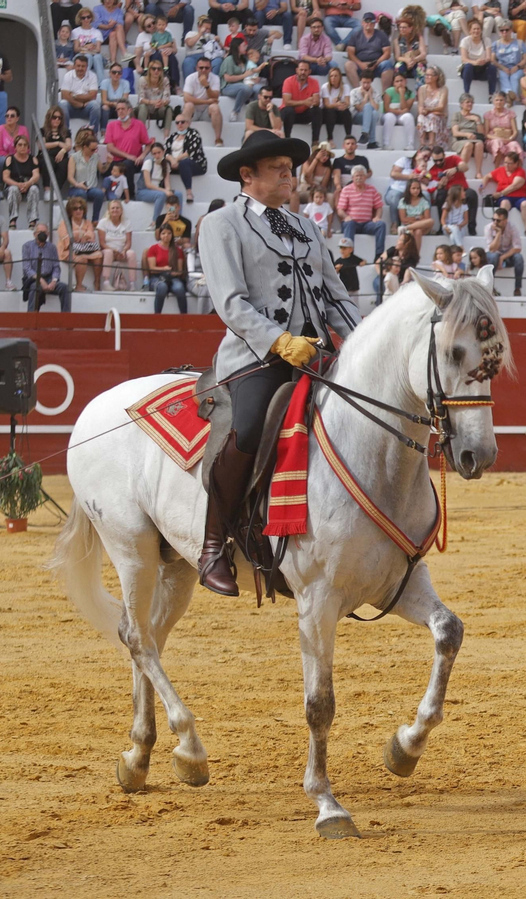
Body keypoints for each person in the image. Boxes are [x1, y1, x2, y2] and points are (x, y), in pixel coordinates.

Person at [196, 129, 359, 595]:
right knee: (248, 429)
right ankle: (214, 546)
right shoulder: (222, 223)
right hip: (256, 358)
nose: (290, 174)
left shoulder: (306, 226)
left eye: (291, 167)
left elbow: (336, 298)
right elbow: (230, 303)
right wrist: (280, 342)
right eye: (278, 168)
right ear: (248, 175)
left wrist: (361, 341)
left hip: (315, 356)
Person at [336, 164, 387, 256]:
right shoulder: (346, 190)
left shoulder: (371, 189)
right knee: (349, 223)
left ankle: (379, 256)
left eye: (361, 175)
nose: (359, 178)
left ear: (365, 177)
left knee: (381, 224)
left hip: (367, 224)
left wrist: (377, 217)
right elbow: (340, 210)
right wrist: (346, 217)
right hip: (352, 223)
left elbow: (379, 206)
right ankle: (348, 256)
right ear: (352, 177)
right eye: (357, 176)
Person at [22, 222, 72, 312]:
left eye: (45, 232)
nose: (42, 234)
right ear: (34, 234)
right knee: (34, 288)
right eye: (40, 232)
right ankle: (30, 318)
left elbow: (56, 267)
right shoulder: (27, 246)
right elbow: (27, 268)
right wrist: (40, 280)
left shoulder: (52, 247)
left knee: (64, 288)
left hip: (49, 279)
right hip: (34, 279)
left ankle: (66, 318)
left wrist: (54, 280)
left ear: (48, 234)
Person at [58, 196, 105, 291]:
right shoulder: (65, 223)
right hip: (69, 250)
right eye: (75, 209)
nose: (78, 211)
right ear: (71, 211)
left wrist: (79, 236)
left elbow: (91, 235)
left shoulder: (88, 222)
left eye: (81, 208)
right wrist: (81, 235)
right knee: (82, 259)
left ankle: (97, 282)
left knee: (99, 255)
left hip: (85, 248)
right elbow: (65, 238)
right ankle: (79, 285)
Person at [145, 224, 190, 312]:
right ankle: (157, 317)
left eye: (169, 233)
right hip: (157, 277)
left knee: (179, 288)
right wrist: (164, 269)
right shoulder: (153, 249)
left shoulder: (178, 250)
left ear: (172, 235)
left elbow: (180, 271)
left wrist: (174, 273)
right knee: (162, 287)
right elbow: (152, 269)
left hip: (173, 277)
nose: (166, 235)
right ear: (160, 235)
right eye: (163, 233)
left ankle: (184, 317)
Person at [163, 114, 208, 204]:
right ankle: (166, 191)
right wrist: (172, 161)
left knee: (184, 163)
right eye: (177, 122)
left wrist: (177, 160)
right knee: (162, 163)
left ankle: (189, 193)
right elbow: (166, 152)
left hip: (194, 163)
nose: (180, 124)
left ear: (187, 123)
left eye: (182, 122)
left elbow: (191, 151)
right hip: (174, 164)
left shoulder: (194, 134)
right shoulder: (173, 136)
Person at [182, 58, 227, 146]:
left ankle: (218, 139)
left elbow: (215, 97)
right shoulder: (190, 78)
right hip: (193, 111)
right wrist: (206, 101)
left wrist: (206, 85)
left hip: (207, 112)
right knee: (188, 106)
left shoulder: (215, 78)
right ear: (196, 68)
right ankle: (184, 137)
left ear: (210, 69)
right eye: (201, 68)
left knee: (215, 107)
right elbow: (186, 98)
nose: (204, 70)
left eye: (206, 68)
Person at [481, 150, 526, 232]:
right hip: (505, 198)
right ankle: (501, 228)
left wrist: (500, 194)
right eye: (505, 162)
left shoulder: (521, 172)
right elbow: (487, 176)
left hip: (519, 197)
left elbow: (514, 186)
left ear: (516, 163)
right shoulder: (500, 170)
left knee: (525, 204)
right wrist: (482, 186)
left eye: (509, 163)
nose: (506, 165)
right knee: (504, 203)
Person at [343, 11, 393, 88]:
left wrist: (376, 63)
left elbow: (387, 52)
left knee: (387, 64)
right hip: (360, 65)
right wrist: (360, 64)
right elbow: (350, 53)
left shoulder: (382, 35)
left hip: (377, 65)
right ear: (362, 22)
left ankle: (385, 95)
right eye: (367, 21)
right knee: (348, 65)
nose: (369, 23)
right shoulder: (355, 35)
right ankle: (358, 91)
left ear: (375, 23)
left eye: (372, 21)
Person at [0, 136, 42, 228]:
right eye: (20, 145)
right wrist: (18, 185)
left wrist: (28, 184)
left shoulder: (33, 159)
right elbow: (5, 177)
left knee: (34, 189)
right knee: (13, 189)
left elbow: (36, 175)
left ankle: (32, 220)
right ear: (15, 147)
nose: (22, 147)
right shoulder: (9, 159)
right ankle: (13, 220)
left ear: (28, 147)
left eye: (25, 145)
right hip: (13, 186)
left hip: (28, 186)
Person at [98, 199, 138, 290]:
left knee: (131, 253)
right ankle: (106, 282)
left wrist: (124, 250)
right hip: (108, 250)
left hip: (122, 251)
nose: (115, 210)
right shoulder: (103, 222)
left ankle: (132, 284)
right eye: (113, 208)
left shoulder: (126, 222)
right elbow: (102, 243)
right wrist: (113, 250)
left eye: (117, 208)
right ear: (109, 210)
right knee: (108, 252)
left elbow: (128, 242)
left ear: (121, 210)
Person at [59, 55, 104, 134]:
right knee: (63, 103)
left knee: (95, 105)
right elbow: (65, 96)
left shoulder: (92, 76)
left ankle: (93, 134)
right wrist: (79, 103)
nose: (80, 68)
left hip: (86, 107)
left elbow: (93, 96)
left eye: (83, 66)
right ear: (74, 66)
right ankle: (65, 134)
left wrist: (74, 96)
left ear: (87, 67)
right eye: (78, 66)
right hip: (71, 107)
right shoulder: (68, 76)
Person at [281, 61, 323, 144]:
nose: (303, 72)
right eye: (301, 70)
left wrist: (313, 102)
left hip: (303, 113)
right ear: (297, 70)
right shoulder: (288, 81)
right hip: (289, 113)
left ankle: (315, 141)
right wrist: (304, 102)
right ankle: (286, 139)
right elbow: (287, 102)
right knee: (289, 110)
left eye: (305, 70)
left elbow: (316, 101)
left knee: (317, 110)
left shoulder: (314, 82)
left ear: (309, 71)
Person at [137, 142, 182, 218]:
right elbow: (148, 184)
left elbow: (167, 183)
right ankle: (155, 221)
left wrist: (168, 191)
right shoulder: (148, 163)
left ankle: (175, 217)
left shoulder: (166, 164)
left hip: (159, 190)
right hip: (144, 191)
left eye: (159, 152)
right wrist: (165, 191)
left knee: (178, 194)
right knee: (161, 195)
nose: (157, 155)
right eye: (154, 153)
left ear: (163, 152)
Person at [484, 204, 522, 294]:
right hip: (492, 255)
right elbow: (492, 249)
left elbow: (518, 248)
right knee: (494, 256)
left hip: (506, 255)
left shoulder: (512, 227)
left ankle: (517, 288)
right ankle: (490, 287)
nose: (495, 222)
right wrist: (498, 234)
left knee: (519, 258)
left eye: (498, 220)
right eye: (493, 220)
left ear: (505, 221)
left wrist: (502, 258)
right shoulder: (488, 228)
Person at [449, 93, 486, 178]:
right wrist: (467, 134)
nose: (470, 104)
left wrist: (477, 121)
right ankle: (460, 172)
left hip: (474, 139)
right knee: (468, 145)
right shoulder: (457, 115)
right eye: (467, 102)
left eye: (471, 102)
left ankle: (478, 172)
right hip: (460, 139)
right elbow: (455, 132)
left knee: (479, 144)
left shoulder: (476, 116)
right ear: (461, 104)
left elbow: (482, 133)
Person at [458, 17, 494, 98]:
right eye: (474, 29)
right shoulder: (465, 41)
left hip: (482, 67)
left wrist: (483, 61)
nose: (476, 31)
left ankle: (491, 95)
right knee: (468, 66)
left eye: (478, 29)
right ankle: (466, 94)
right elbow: (464, 58)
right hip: (470, 69)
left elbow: (489, 57)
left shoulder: (487, 40)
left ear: (481, 30)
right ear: (470, 30)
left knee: (492, 68)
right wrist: (475, 62)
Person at [135, 59, 175, 132]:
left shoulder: (165, 80)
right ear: (149, 70)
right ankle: (140, 133)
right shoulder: (142, 80)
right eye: (154, 69)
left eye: (159, 69)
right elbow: (141, 99)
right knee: (143, 107)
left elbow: (167, 99)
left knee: (168, 109)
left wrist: (161, 103)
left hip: (158, 109)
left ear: (161, 71)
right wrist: (153, 102)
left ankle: (166, 137)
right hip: (145, 108)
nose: (156, 71)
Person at [418, 66, 452, 150]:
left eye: (430, 75)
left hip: (440, 117)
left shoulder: (443, 89)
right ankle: (422, 144)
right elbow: (420, 106)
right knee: (421, 117)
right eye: (426, 75)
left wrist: (429, 110)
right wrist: (423, 111)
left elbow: (441, 106)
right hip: (428, 115)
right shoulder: (422, 89)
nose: (427, 77)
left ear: (436, 77)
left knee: (432, 117)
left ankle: (431, 143)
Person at [491, 20, 526, 96]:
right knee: (503, 77)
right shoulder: (496, 44)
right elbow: (492, 59)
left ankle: (511, 98)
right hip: (502, 68)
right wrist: (503, 68)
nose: (504, 32)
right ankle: (510, 97)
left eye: (507, 30)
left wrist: (517, 67)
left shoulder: (519, 43)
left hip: (517, 67)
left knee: (515, 78)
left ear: (511, 30)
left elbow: (525, 58)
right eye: (502, 30)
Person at [382, 71, 417, 150]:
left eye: (401, 80)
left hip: (401, 116)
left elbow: (406, 108)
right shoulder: (389, 91)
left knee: (409, 117)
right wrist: (400, 112)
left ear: (405, 81)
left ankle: (410, 144)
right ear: (394, 83)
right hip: (389, 115)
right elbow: (386, 109)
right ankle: (386, 144)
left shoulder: (410, 94)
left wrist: (402, 94)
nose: (399, 83)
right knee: (390, 117)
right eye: (397, 81)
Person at [317, 67, 353, 142]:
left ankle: (348, 137)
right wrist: (336, 105)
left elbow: (347, 102)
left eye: (336, 76)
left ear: (340, 77)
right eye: (331, 76)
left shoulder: (345, 87)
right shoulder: (325, 87)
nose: (333, 78)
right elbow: (326, 105)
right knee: (330, 112)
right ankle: (330, 138)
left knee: (347, 112)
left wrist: (342, 105)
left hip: (339, 111)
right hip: (327, 114)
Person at [484, 91, 522, 162]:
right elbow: (486, 134)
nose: (499, 102)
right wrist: (499, 138)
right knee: (498, 142)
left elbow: (515, 131)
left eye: (501, 100)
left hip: (508, 139)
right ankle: (497, 169)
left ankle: (516, 171)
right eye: (497, 100)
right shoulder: (488, 114)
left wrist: (510, 138)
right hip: (493, 140)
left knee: (514, 145)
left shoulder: (511, 114)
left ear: (505, 101)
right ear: (493, 101)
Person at [392, 7, 428, 82]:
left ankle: (420, 89)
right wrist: (407, 60)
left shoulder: (419, 38)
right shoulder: (397, 40)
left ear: (411, 28)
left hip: (416, 61)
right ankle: (400, 88)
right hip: (404, 61)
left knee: (420, 68)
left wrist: (414, 60)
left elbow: (423, 53)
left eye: (404, 28)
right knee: (398, 67)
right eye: (401, 27)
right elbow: (397, 57)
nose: (402, 29)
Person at [348, 75, 381, 147]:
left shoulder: (376, 92)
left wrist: (370, 96)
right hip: (357, 116)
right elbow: (359, 108)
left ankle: (370, 140)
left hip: (371, 117)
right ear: (360, 81)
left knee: (374, 113)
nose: (365, 85)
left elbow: (376, 108)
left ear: (371, 82)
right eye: (364, 82)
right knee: (368, 106)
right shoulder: (354, 92)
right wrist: (365, 97)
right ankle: (367, 135)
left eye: (368, 82)